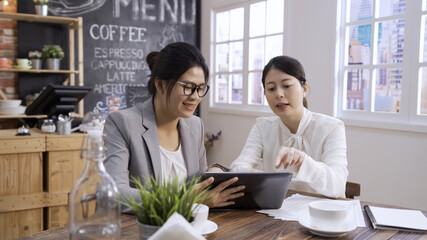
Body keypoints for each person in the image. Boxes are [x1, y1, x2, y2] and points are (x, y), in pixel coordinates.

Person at [104, 42, 244, 208]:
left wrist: (215, 174)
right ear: (160, 84)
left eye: (200, 88)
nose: (195, 97)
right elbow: (114, 192)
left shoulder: (195, 125)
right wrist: (183, 200)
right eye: (188, 87)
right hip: (145, 229)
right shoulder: (121, 123)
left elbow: (199, 185)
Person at [230, 55, 348, 198]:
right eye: (271, 88)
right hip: (277, 211)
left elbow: (337, 185)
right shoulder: (262, 127)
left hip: (321, 214)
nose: (279, 94)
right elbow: (239, 165)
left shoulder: (331, 128)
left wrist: (303, 162)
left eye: (286, 86)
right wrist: (249, 173)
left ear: (304, 89)